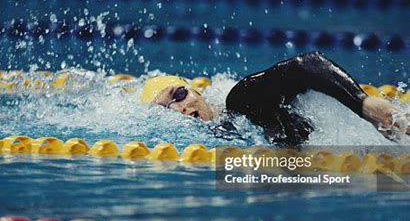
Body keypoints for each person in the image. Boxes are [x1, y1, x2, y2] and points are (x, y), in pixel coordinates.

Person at [141, 51, 409, 146]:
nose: (180, 108)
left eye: (178, 94)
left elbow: (306, 65)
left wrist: (364, 104)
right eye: (167, 109)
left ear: (197, 91)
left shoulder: (240, 103)